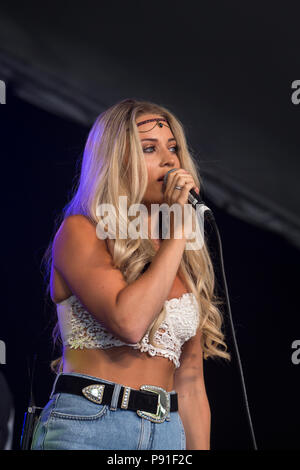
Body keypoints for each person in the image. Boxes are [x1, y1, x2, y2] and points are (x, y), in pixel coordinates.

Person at [31, 98, 231, 451]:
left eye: (174, 148)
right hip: (90, 426)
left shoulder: (185, 256)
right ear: (117, 161)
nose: (170, 160)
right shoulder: (81, 231)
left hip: (167, 433)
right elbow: (129, 322)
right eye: (149, 149)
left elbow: (190, 379)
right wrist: (176, 237)